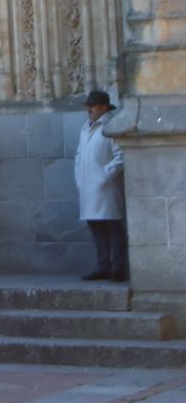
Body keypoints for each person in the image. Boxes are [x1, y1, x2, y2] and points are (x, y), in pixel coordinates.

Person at [75, 91, 127, 282]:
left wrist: (106, 175)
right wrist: (80, 177)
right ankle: (102, 266)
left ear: (104, 107)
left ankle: (118, 268)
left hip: (105, 187)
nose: (90, 109)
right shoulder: (86, 128)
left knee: (112, 228)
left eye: (94, 105)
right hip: (89, 187)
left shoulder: (110, 126)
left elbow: (120, 156)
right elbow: (80, 154)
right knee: (97, 229)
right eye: (88, 106)